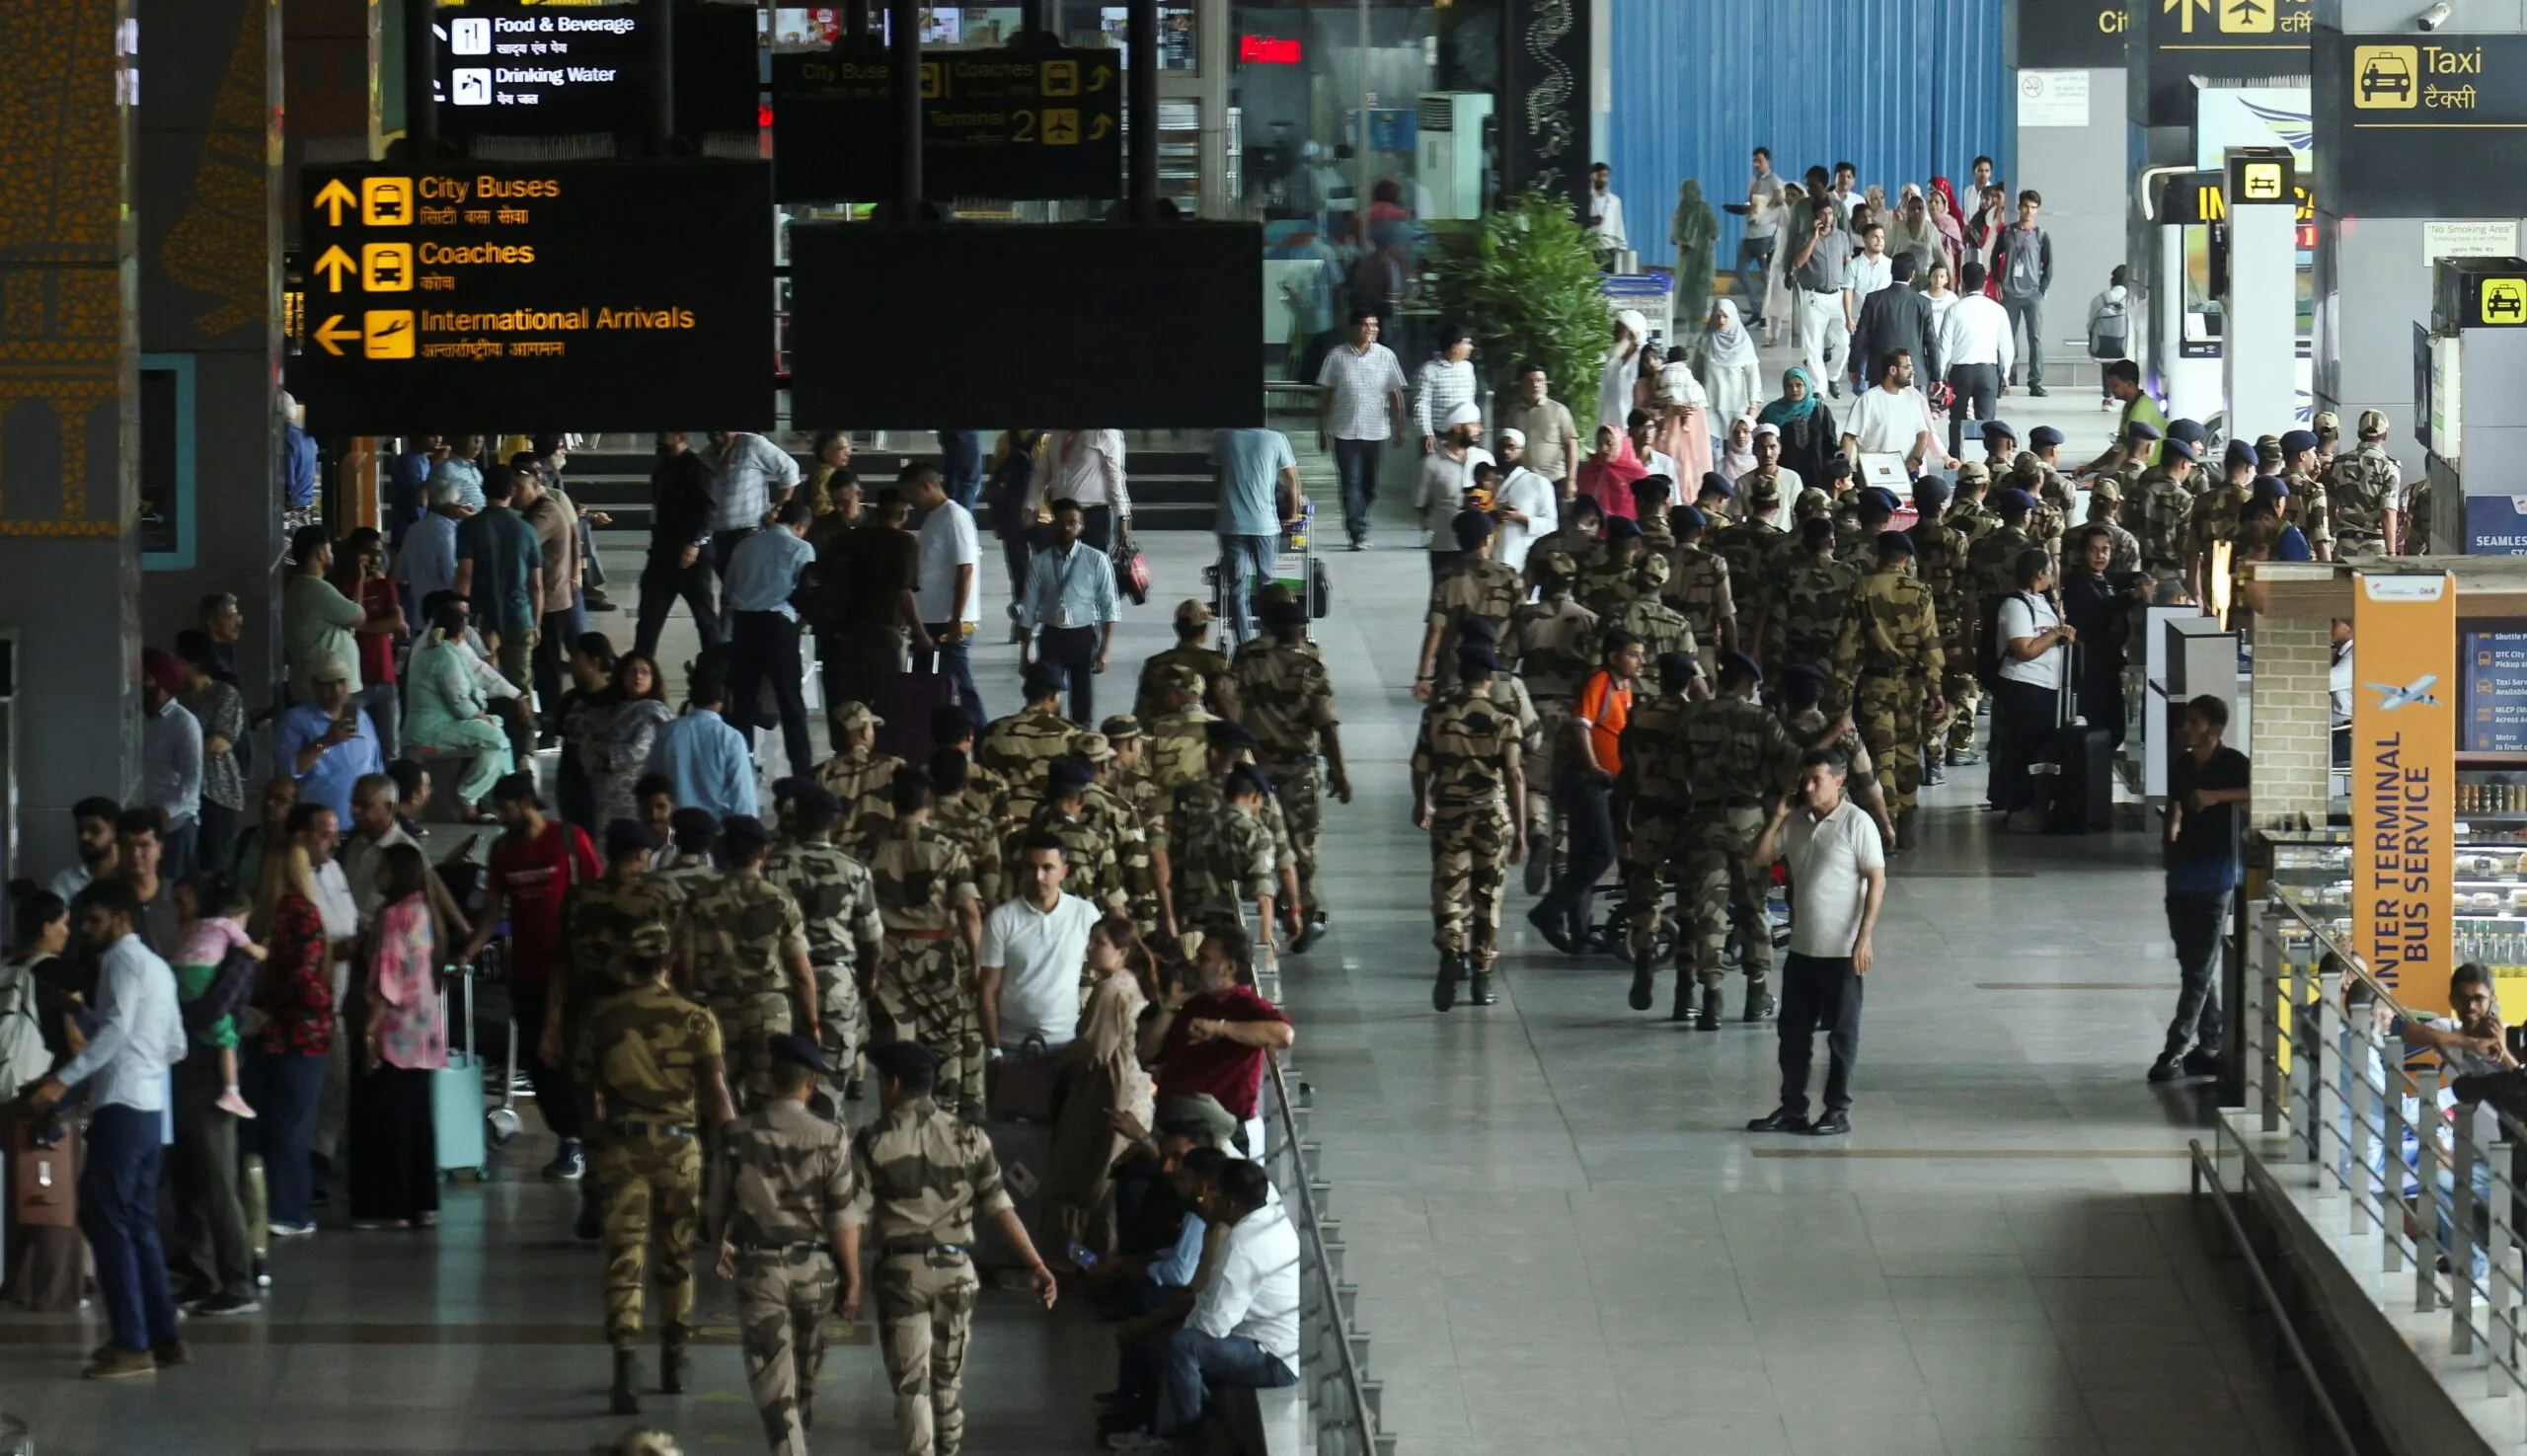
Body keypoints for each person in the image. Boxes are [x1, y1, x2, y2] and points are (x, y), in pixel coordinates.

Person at [853, 1039, 1057, 1456]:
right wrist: (1035, 1263)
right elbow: (1000, 1207)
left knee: (912, 1386)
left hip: (901, 1274)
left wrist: (850, 1280)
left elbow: (852, 1216)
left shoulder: (873, 1139)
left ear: (893, 1083)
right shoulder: (970, 1136)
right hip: (958, 1271)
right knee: (947, 1380)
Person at [20, 880, 188, 1377]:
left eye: (93, 921)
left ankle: (131, 1343)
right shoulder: (156, 966)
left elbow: (118, 1030)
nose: (85, 931)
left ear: (121, 917)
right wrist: (78, 1011)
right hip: (150, 1110)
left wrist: (61, 1081)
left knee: (103, 1215)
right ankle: (162, 1336)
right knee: (135, 1221)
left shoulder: (121, 960)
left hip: (122, 1106)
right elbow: (174, 1043)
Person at [576, 921, 736, 1416]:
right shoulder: (697, 1019)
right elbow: (717, 1094)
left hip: (622, 1148)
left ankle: (625, 1364)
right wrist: (734, 1151)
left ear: (627, 962)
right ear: (669, 963)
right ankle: (674, 1357)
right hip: (679, 1148)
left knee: (624, 1257)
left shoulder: (602, 1018)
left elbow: (587, 1097)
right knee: (676, 1254)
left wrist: (596, 1142)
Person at [710, 1034, 864, 1456]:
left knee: (775, 1386)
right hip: (817, 1272)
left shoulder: (736, 1134)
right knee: (805, 1381)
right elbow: (843, 1217)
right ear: (812, 1082)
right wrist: (853, 1282)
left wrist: (718, 1245)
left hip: (760, 1271)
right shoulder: (831, 1136)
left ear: (770, 1078)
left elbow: (716, 1206)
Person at [461, 774, 602, 1180]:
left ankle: (583, 1141)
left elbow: (597, 897)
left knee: (573, 1059)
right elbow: (493, 908)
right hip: (526, 973)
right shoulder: (503, 850)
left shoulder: (569, 841)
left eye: (506, 809)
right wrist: (469, 949)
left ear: (526, 803)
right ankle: (568, 1136)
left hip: (573, 973)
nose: (502, 818)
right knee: (540, 1062)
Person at [1743, 750, 1885, 1137]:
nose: (1807, 787)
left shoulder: (1857, 823)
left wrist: (1864, 938)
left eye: (1816, 780)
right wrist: (1777, 817)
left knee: (1841, 1036)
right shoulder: (1796, 823)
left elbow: (1877, 880)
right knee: (1792, 1035)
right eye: (1804, 780)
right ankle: (1792, 1108)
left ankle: (1837, 1111)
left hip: (1842, 953)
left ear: (1839, 780)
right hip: (1802, 950)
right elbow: (1759, 858)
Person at [1233, 598, 1351, 950]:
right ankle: (1301, 914)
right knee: (1302, 849)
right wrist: (1340, 771)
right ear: (1301, 631)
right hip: (1298, 770)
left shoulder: (1247, 659)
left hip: (1254, 770)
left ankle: (1262, 910)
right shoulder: (1309, 666)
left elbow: (1228, 704)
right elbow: (1326, 724)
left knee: (1253, 840)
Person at [1414, 644, 1526, 1010]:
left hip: (1450, 814)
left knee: (1449, 888)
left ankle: (1451, 950)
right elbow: (1514, 775)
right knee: (1487, 896)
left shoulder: (1438, 712)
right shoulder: (1504, 716)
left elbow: (1420, 765)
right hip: (1491, 814)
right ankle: (1482, 978)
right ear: (1489, 678)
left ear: (1460, 674)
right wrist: (1522, 830)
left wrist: (1421, 803)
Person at [869, 770, 986, 1118]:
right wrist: (975, 962)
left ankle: (894, 1114)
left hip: (885, 956)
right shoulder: (947, 849)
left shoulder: (869, 846)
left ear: (893, 803)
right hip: (935, 956)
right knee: (945, 1041)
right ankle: (943, 1114)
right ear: (930, 804)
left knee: (892, 1042)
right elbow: (968, 911)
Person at [681, 813, 817, 1114]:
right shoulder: (780, 900)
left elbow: (686, 965)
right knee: (767, 1098)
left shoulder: (700, 900)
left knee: (718, 1096)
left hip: (717, 1009)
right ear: (764, 851)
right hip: (770, 1011)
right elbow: (801, 972)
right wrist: (811, 1022)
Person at [244, 818, 337, 1241]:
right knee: (290, 1124)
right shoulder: (300, 913)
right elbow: (305, 976)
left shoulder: (271, 915)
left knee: (272, 1124)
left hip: (274, 1034)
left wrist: (261, 1007)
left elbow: (289, 976)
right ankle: (284, 1209)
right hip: (297, 1033)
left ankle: (272, 1208)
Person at [1041, 917, 1156, 1257]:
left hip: (1108, 1101)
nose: (1090, 949)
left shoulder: (1111, 991)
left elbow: (1093, 1050)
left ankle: (1083, 1263)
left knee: (1089, 1188)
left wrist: (1057, 1062)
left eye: (1099, 943)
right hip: (1129, 1098)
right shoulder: (1127, 984)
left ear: (1122, 951)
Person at [2154, 695, 2248, 1083]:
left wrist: (2216, 797)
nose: (2186, 728)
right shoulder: (2183, 764)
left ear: (2215, 728)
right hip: (2183, 873)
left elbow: (2257, 793)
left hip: (2217, 875)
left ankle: (2174, 1049)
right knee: (2193, 964)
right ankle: (2211, 1042)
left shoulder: (2234, 764)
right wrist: (2168, 839)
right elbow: (2175, 803)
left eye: (2195, 722)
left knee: (2199, 969)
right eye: (2187, 721)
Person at [1529, 631, 1641, 955]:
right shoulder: (1600, 683)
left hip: (1609, 782)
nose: (1640, 662)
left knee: (1582, 855)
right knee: (1601, 852)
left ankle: (1580, 930)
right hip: (1587, 781)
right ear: (1614, 657)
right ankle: (1549, 910)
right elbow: (1581, 725)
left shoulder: (1625, 689)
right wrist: (1593, 767)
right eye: (1633, 655)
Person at [348, 843, 440, 1230]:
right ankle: (422, 1203)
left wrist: (370, 1028)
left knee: (385, 1118)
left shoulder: (394, 915)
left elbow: (389, 976)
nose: (377, 876)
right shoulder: (422, 911)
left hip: (393, 1029)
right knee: (416, 1117)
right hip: (422, 1032)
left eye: (384, 869)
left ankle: (389, 1206)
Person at [1139, 922, 1292, 1132]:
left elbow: (1283, 1034)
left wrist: (1220, 1028)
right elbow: (1146, 1054)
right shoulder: (1194, 1004)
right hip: (1174, 1124)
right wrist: (1171, 1006)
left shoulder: (1246, 1005)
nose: (1194, 964)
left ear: (1229, 968)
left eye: (1204, 959)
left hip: (1220, 1130)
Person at [976, 832, 1101, 1057]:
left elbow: (1106, 972)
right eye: (1031, 868)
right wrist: (993, 1049)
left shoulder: (1085, 914)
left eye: (1047, 868)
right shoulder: (1001, 919)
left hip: (1067, 1042)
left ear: (1064, 871)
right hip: (1011, 1044)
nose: (1038, 876)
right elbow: (988, 988)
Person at [723, 498, 820, 776]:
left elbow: (729, 589)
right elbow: (808, 592)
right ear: (801, 526)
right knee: (790, 701)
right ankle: (802, 769)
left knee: (743, 700)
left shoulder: (745, 545)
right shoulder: (801, 548)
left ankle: (742, 765)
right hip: (778, 628)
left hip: (744, 626)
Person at [401, 600, 513, 819]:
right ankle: (469, 798)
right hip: (431, 730)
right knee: (495, 738)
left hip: (435, 724)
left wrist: (480, 715)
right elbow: (460, 702)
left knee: (496, 726)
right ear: (461, 633)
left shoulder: (429, 651)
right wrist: (477, 715)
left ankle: (499, 797)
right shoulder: (445, 655)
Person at [1018, 498, 1121, 722]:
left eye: (1072, 522)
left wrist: (1105, 647)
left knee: (1082, 693)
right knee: (1048, 692)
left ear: (1081, 525)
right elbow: (1029, 609)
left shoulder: (1097, 560)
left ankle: (1082, 733)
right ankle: (1051, 733)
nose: (1066, 527)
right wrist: (1025, 652)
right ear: (1052, 524)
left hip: (1083, 634)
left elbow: (1109, 605)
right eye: (1061, 522)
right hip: (1051, 635)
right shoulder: (1039, 562)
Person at [904, 462, 988, 734]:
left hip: (948, 620)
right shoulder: (934, 517)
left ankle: (984, 738)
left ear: (928, 486)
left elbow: (965, 569)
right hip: (933, 617)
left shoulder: (954, 516)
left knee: (959, 684)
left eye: (912, 493)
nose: (911, 501)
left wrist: (956, 618)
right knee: (930, 686)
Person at [169, 874, 260, 1120]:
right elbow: (216, 1009)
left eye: (182, 904)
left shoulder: (196, 938)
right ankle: (232, 1091)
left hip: (198, 1069)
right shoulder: (228, 947)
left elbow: (218, 1003)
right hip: (196, 1069)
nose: (177, 914)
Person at [1315, 311, 1409, 551]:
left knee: (1371, 487)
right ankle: (1357, 531)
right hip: (1343, 430)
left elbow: (1395, 395)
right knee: (1350, 482)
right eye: (1366, 325)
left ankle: (1358, 518)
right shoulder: (1336, 356)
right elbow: (1325, 396)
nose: (1371, 329)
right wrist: (1320, 429)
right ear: (1353, 328)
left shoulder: (1386, 356)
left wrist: (1400, 427)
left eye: (1374, 325)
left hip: (1375, 431)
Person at [1990, 550, 2071, 824]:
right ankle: (2018, 807)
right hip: (2023, 686)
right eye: (2050, 569)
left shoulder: (2044, 602)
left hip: (2046, 685)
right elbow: (2024, 649)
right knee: (2021, 748)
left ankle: (2035, 805)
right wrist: (2056, 633)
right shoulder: (2014, 605)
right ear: (2039, 574)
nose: (2054, 575)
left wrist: (2062, 634)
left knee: (2037, 747)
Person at [453, 465, 546, 696]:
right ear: (512, 490)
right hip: (520, 616)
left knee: (481, 682)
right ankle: (525, 717)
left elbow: (465, 576)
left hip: (481, 618)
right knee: (521, 684)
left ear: (483, 489)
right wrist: (536, 624)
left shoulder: (469, 528)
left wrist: (457, 615)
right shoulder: (526, 530)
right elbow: (536, 585)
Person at [1211, 425, 1303, 645]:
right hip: (1265, 525)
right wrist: (1294, 513)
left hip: (1232, 523)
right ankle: (1269, 641)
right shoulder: (1276, 438)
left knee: (1237, 589)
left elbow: (1218, 480)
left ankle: (1244, 645)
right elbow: (1292, 481)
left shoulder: (1223, 437)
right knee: (1267, 586)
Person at [637, 432, 723, 659]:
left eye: (665, 435)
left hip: (692, 557)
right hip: (662, 553)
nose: (659, 440)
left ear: (681, 437)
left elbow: (709, 510)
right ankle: (640, 666)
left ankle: (715, 669)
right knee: (648, 620)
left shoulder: (696, 469)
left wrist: (693, 542)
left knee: (705, 619)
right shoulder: (663, 468)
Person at [273, 655, 384, 827]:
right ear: (315, 685)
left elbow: (377, 769)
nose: (336, 690)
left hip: (361, 828)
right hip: (316, 829)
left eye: (341, 682)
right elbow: (289, 772)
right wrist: (325, 742)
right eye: (328, 683)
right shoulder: (297, 720)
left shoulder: (363, 718)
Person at [706, 429, 804, 624]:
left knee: (744, 590)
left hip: (749, 531)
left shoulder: (752, 444)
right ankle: (732, 637)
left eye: (722, 430)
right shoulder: (706, 455)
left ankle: (739, 633)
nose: (717, 434)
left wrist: (778, 509)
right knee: (730, 591)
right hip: (717, 534)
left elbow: (789, 469)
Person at [329, 530, 406, 757]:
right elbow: (352, 614)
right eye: (368, 553)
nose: (375, 559)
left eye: (378, 553)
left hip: (384, 678)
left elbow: (395, 621)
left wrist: (361, 627)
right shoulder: (340, 588)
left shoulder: (385, 586)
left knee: (390, 748)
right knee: (349, 745)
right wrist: (360, 580)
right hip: (353, 683)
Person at [649, 667, 758, 821]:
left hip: (674, 825)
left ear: (691, 698)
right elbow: (742, 797)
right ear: (722, 701)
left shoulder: (666, 732)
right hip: (716, 828)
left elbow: (650, 783)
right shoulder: (731, 738)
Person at [136, 649, 205, 881]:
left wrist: (167, 810)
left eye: (146, 678)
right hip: (144, 824)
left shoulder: (183, 723)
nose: (140, 685)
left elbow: (192, 778)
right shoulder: (138, 718)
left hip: (176, 825)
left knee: (172, 890)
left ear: (162, 683)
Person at [1936, 260, 2014, 459]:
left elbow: (1944, 346)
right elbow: (2006, 346)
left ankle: (1955, 462)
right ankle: (1988, 462)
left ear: (1962, 283)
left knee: (1957, 420)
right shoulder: (1997, 310)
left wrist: (1940, 376)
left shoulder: (1954, 309)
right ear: (1984, 283)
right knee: (1987, 422)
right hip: (1988, 372)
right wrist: (2005, 374)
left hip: (1961, 373)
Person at [1786, 183, 1853, 394]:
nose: (1828, 218)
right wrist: (1814, 238)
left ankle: (1833, 376)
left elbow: (1847, 262)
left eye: (1830, 214)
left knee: (1843, 342)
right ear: (1816, 216)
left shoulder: (1841, 237)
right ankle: (1819, 388)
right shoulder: (1805, 237)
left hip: (1837, 296)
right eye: (1823, 214)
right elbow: (1798, 262)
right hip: (1814, 297)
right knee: (1813, 345)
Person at [1415, 402, 1494, 575]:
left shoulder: (1485, 459)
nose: (1480, 430)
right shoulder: (1431, 464)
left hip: (1480, 549)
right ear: (1457, 427)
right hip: (1445, 548)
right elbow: (1421, 505)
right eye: (1474, 424)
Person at [1993, 190, 2054, 395]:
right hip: (2010, 293)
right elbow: (1994, 256)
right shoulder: (2007, 232)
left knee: (2035, 338)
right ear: (2019, 207)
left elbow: (2048, 266)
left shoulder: (2041, 236)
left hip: (2032, 294)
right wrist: (1998, 281)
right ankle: (2001, 379)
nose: (2029, 211)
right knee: (2005, 338)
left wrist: (2041, 290)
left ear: (2038, 210)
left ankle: (2035, 381)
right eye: (2026, 206)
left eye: (2033, 208)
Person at [1033, 428, 1133, 552]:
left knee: (1092, 559)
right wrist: (1030, 503)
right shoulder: (1058, 435)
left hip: (1092, 513)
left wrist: (1122, 516)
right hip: (1060, 513)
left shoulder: (1105, 432)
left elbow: (1115, 477)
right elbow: (1042, 473)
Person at [1496, 361, 1582, 498]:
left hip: (1554, 481)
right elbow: (1506, 446)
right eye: (1530, 381)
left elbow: (1571, 444)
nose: (1536, 385)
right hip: (1522, 481)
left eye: (1540, 381)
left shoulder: (1559, 411)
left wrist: (1571, 480)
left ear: (1546, 384)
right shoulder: (1513, 413)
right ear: (1522, 385)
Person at [1756, 368, 1840, 490]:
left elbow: (1831, 444)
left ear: (1806, 386)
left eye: (1799, 385)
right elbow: (1760, 442)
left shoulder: (1820, 409)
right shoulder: (1771, 412)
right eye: (1789, 386)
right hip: (1783, 478)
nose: (1794, 390)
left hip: (1817, 476)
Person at [1413, 327, 1479, 456]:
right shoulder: (1428, 370)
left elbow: (1471, 399)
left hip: (1464, 435)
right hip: (1438, 436)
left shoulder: (1468, 368)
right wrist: (1426, 433)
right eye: (1467, 343)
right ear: (1454, 347)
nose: (1471, 347)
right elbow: (1421, 405)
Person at [1598, 309, 1654, 436]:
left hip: (1638, 435)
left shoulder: (1645, 363)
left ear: (1633, 335)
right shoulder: (1611, 364)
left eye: (1619, 331)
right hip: (1612, 436)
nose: (1614, 335)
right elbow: (1602, 402)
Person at [2086, 265, 2134, 409]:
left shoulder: (2099, 299)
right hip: (2126, 347)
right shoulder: (2133, 300)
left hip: (2102, 346)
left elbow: (2090, 325)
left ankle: (2108, 397)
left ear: (2112, 281)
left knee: (2107, 360)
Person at [428, 433, 487, 513]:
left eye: (481, 436)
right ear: (461, 439)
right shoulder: (445, 468)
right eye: (474, 436)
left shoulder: (475, 470)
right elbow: (435, 505)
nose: (478, 441)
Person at [1584, 160, 1626, 250]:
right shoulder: (1585, 199)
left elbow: (1618, 225)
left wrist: (1622, 247)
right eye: (1600, 175)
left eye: (1606, 176)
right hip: (1590, 248)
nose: (1603, 179)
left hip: (1610, 248)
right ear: (1593, 176)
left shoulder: (1614, 201)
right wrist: (1590, 221)